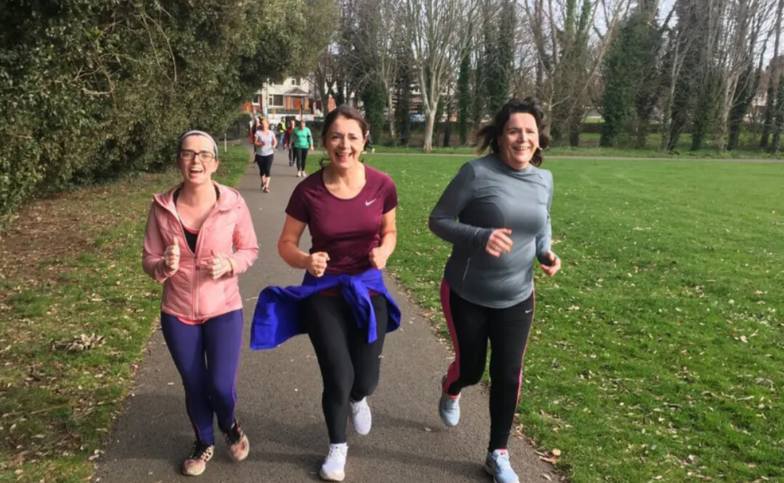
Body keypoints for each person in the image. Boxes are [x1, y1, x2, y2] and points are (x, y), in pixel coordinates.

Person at [250, 105, 401, 482]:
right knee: (338, 375)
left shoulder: (382, 185)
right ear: (324, 141)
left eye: (352, 137)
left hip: (368, 289)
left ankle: (358, 398)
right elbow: (285, 243)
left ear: (364, 141)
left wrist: (384, 251)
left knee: (364, 380)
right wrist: (306, 259)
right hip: (324, 291)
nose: (344, 145)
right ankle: (337, 446)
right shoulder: (308, 191)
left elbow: (390, 231)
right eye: (336, 137)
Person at [428, 97, 561, 483]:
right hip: (466, 292)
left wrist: (545, 252)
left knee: (507, 374)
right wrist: (480, 236)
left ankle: (497, 453)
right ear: (500, 137)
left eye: (530, 132)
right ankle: (452, 386)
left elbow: (542, 220)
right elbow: (438, 220)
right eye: (514, 131)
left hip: (518, 295)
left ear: (539, 138)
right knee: (471, 370)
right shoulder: (476, 173)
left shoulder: (544, 179)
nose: (522, 138)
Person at [142, 130, 259, 477]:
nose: (196, 161)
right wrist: (163, 266)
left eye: (204, 154)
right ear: (178, 161)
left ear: (215, 163)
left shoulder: (233, 203)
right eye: (188, 154)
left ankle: (229, 424)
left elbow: (250, 249)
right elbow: (148, 259)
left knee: (220, 386)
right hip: (178, 312)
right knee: (194, 384)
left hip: (224, 308)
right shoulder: (161, 207)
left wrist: (230, 264)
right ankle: (203, 441)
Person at [253, 118, 278, 193]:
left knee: (267, 170)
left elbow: (275, 141)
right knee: (262, 170)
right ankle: (263, 182)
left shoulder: (271, 133)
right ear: (261, 124)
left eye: (265, 123)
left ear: (268, 124)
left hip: (269, 154)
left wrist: (274, 146)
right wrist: (261, 144)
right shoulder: (258, 133)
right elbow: (255, 142)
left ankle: (266, 186)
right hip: (260, 154)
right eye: (262, 124)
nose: (264, 125)